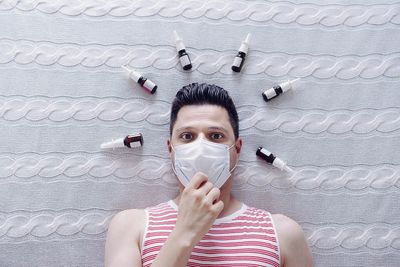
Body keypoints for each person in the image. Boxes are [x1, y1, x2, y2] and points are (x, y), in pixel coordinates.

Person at [105, 83, 313, 267]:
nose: (201, 147)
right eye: (187, 136)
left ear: (237, 148)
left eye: (216, 136)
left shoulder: (283, 234)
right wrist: (184, 232)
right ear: (171, 149)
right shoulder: (131, 226)